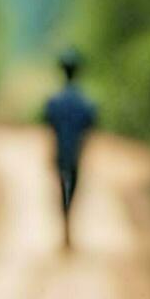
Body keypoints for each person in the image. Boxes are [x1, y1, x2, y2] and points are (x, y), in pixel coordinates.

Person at [43, 47, 98, 249]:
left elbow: (49, 125)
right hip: (76, 153)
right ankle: (68, 225)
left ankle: (65, 225)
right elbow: (90, 126)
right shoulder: (85, 101)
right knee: (72, 188)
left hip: (60, 152)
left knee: (61, 188)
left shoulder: (54, 101)